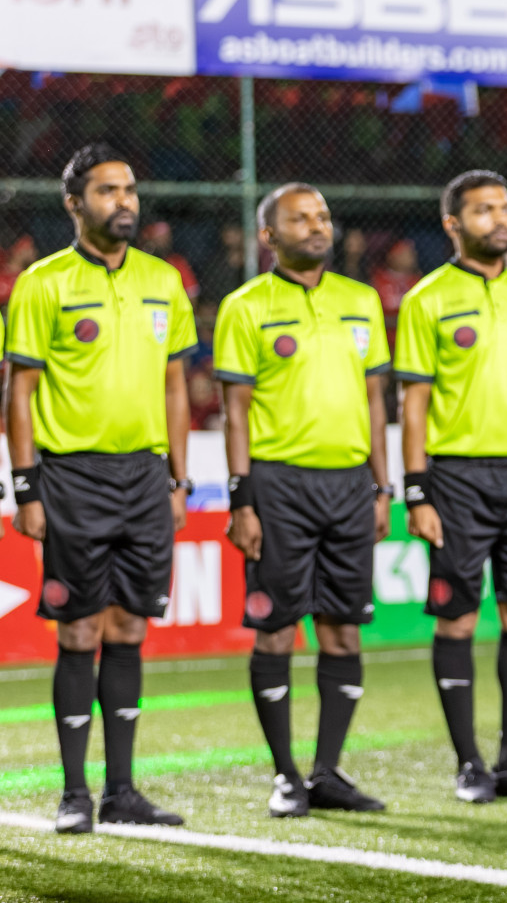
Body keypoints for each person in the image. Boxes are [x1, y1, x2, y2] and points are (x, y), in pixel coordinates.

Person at [6, 143, 196, 833]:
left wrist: (177, 477)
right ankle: (73, 793)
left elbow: (176, 384)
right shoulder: (42, 284)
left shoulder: (164, 281)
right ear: (74, 203)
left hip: (145, 476)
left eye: (130, 190)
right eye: (108, 191)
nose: (124, 202)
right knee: (79, 627)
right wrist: (27, 488)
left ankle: (123, 791)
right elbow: (19, 392)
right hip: (72, 476)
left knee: (130, 625)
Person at [396, 170, 507, 803]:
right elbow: (413, 405)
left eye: (504, 207)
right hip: (457, 478)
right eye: (483, 210)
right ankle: (468, 763)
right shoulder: (427, 298)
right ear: (453, 224)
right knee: (457, 617)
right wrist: (416, 491)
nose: (499, 219)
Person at [215, 182, 394, 818]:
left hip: (350, 484)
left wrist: (382, 484)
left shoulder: (362, 300)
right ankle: (286, 775)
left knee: (343, 631)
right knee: (278, 630)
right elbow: (235, 412)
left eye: (321, 216)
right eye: (300, 219)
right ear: (270, 236)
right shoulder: (245, 306)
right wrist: (243, 499)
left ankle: (328, 773)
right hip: (278, 485)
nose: (316, 226)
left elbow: (376, 400)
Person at [138, 221, 200, 304]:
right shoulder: (138, 262)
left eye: (167, 237)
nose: (164, 241)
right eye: (159, 237)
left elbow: (192, 293)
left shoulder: (177, 262)